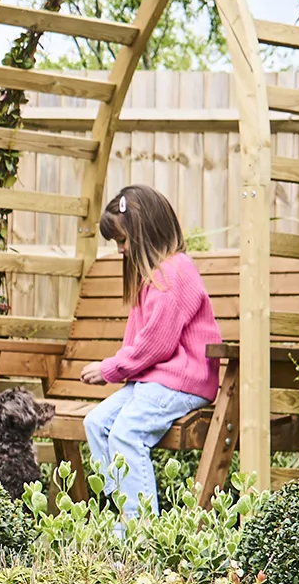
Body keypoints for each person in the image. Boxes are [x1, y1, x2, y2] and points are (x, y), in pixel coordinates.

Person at [78, 185, 222, 518]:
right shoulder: (155, 276)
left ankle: (141, 534)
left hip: (181, 382)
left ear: (145, 234)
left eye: (123, 241)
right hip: (155, 382)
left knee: (127, 434)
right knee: (96, 422)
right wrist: (122, 367)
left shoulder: (174, 272)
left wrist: (111, 369)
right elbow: (140, 340)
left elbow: (156, 344)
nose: (120, 251)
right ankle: (117, 524)